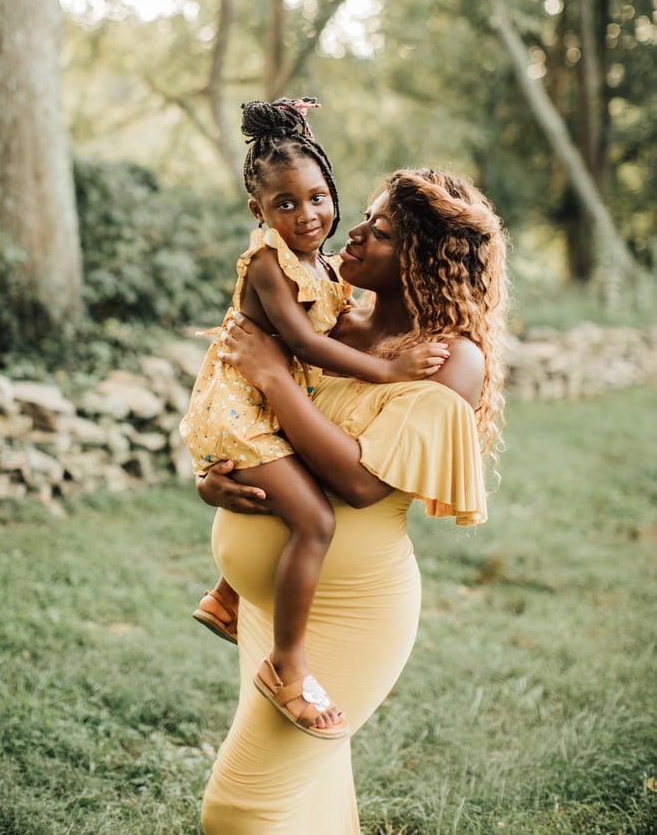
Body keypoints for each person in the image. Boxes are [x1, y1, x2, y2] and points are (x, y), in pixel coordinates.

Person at [194, 166, 508, 834]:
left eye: (382, 230)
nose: (354, 232)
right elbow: (266, 430)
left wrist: (275, 377)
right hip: (271, 609)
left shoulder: (450, 357)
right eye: (363, 215)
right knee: (303, 803)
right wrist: (215, 480)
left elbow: (361, 482)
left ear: (424, 259)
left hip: (350, 616)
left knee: (239, 809)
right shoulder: (332, 319)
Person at [180, 99, 449, 739]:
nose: (309, 216)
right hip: (239, 408)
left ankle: (225, 596)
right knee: (315, 518)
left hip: (264, 405)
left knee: (304, 477)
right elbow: (303, 344)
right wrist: (391, 370)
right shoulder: (271, 264)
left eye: (319, 198)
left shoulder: (325, 268)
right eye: (286, 204)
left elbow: (340, 334)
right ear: (259, 212)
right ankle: (288, 667)